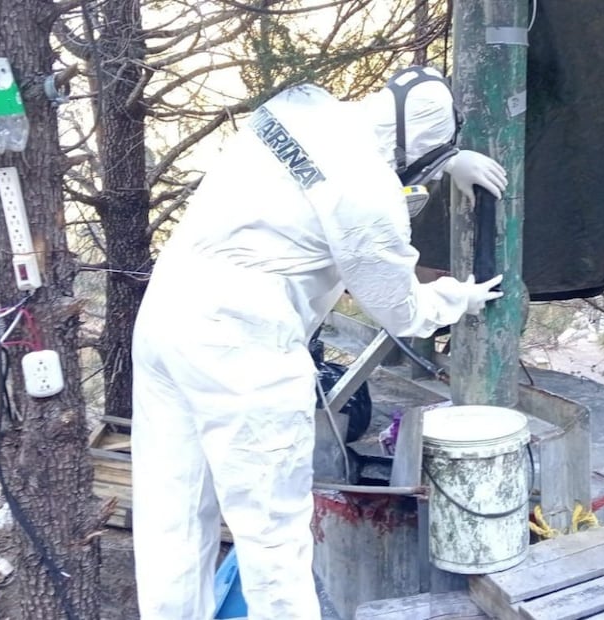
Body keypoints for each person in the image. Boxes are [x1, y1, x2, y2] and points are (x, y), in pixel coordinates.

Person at [131, 65, 508, 619]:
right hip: (242, 349)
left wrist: (449, 158)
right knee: (273, 537)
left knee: (174, 513)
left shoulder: (299, 110)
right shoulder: (369, 197)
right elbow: (399, 308)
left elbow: (356, 153)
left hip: (166, 320)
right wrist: (459, 298)